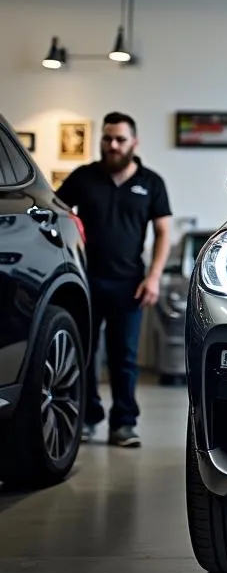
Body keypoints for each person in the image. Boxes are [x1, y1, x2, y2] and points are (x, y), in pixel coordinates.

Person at [56, 112, 173, 447]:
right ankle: (87, 419)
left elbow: (163, 232)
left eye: (120, 139)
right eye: (107, 138)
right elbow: (59, 215)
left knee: (124, 357)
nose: (112, 145)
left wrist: (153, 278)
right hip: (85, 282)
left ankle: (124, 424)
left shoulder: (151, 182)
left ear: (133, 142)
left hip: (130, 285)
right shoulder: (83, 177)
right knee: (86, 354)